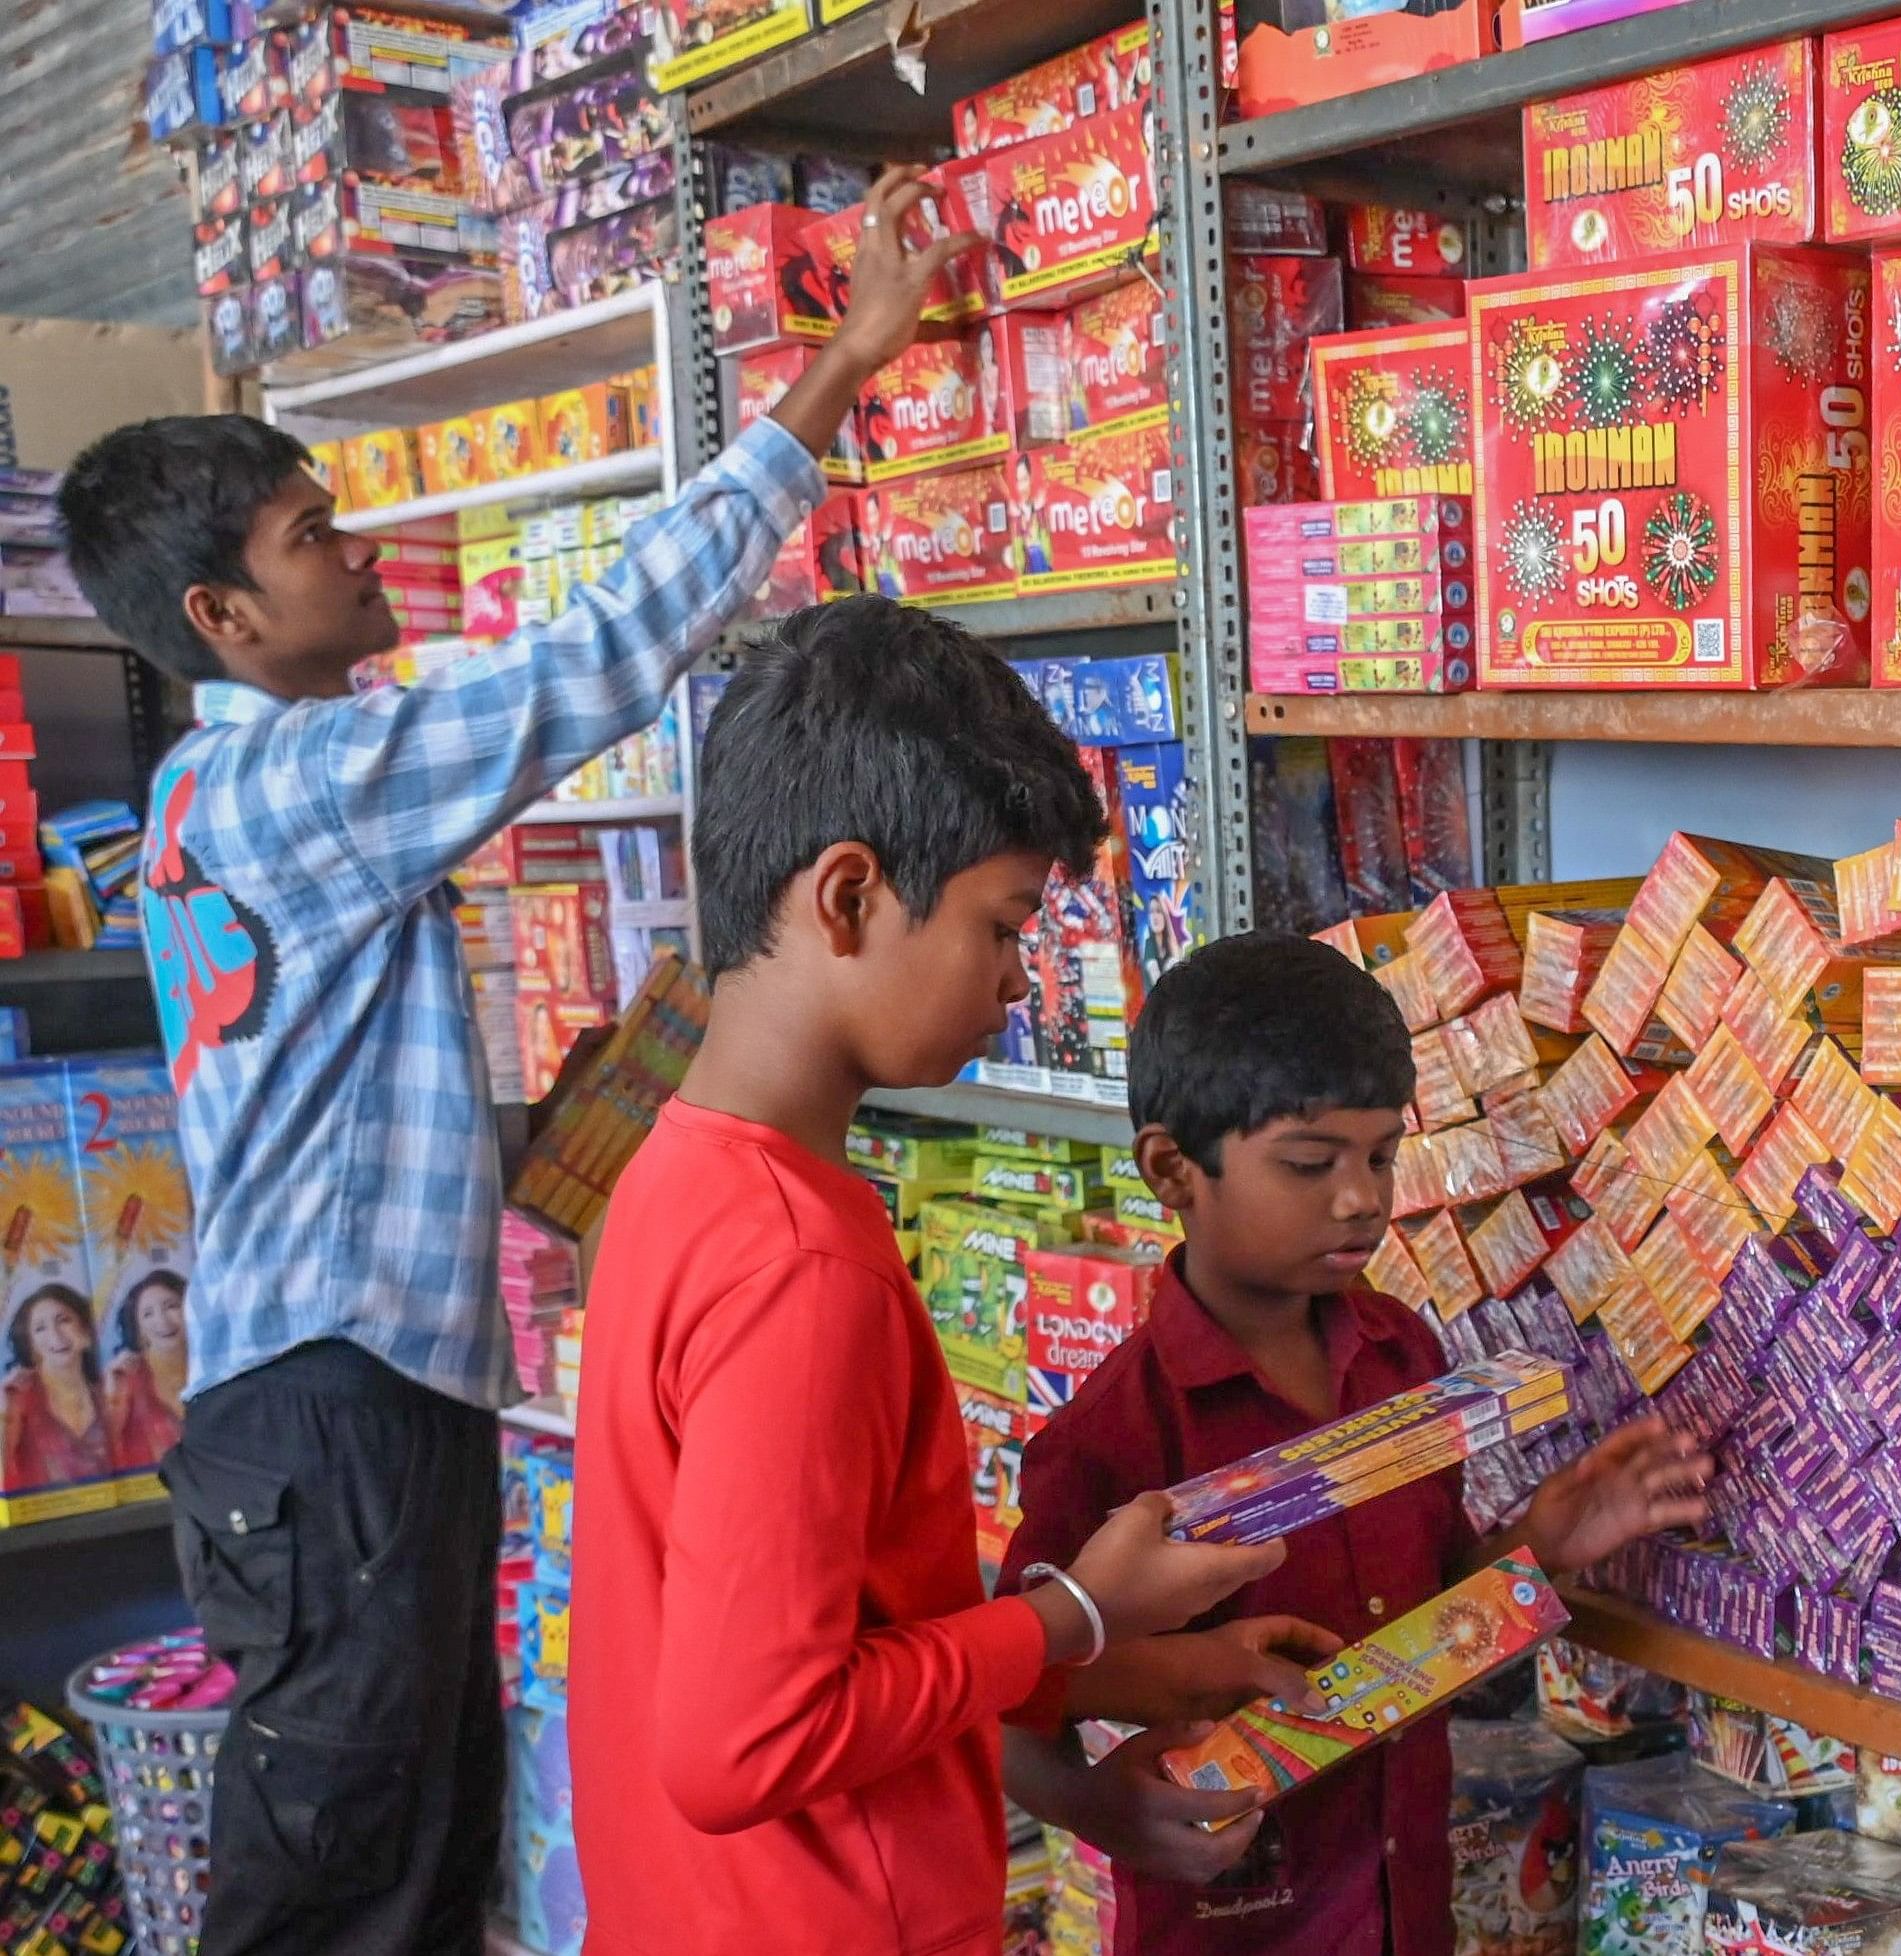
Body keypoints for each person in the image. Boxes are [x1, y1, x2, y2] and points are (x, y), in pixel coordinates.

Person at [57, 164, 971, 1956]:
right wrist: (843, 362)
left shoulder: (204, 794)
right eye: (315, 534)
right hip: (336, 1413)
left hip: (319, 1408)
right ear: (224, 620)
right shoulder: (299, 779)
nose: (362, 549)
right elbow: (599, 657)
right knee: (347, 1881)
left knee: (398, 1850)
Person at [572, 599, 1316, 1953]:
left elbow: (813, 1635)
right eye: (1002, 925)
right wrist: (1072, 1611)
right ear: (848, 896)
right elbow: (745, 1745)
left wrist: (1108, 1657)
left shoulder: (681, 1175)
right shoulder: (802, 1271)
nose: (1021, 981)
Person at [1001, 932, 1715, 1956]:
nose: (1361, 1198)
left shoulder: (1402, 1355)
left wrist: (1536, 1546)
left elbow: (1413, 1641)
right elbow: (1002, 1705)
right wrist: (1098, 1810)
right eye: (1310, 1163)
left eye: (1380, 1155)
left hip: (1404, 1904)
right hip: (1233, 1926)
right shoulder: (1116, 1434)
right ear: (1172, 1169)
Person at [2, 1285, 113, 1493]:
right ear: (30, 1344)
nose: (55, 1334)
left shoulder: (110, 1393)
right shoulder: (15, 1400)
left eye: (64, 1320)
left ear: (86, 1331)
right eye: (40, 1328)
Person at [106, 1267, 191, 1468]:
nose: (162, 1321)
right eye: (147, 1314)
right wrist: (114, 1394)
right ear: (138, 1329)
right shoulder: (124, 1377)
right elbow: (105, 1451)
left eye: (171, 1306)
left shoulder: (213, 1363)